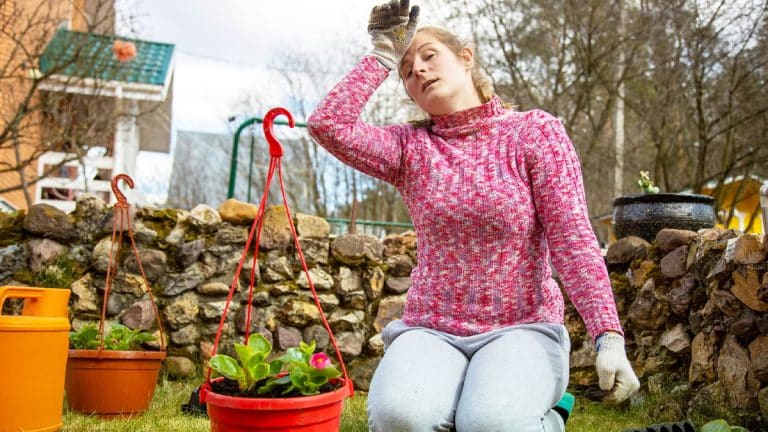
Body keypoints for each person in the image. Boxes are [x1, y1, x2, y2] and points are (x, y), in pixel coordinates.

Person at [307, 1, 640, 430]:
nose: (419, 71)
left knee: (488, 423)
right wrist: (383, 56)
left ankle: (547, 419)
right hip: (430, 329)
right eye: (408, 72)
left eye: (429, 56)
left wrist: (608, 336)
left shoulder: (535, 132)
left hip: (522, 328)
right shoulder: (410, 148)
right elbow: (327, 125)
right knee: (399, 418)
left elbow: (573, 241)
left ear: (466, 58)